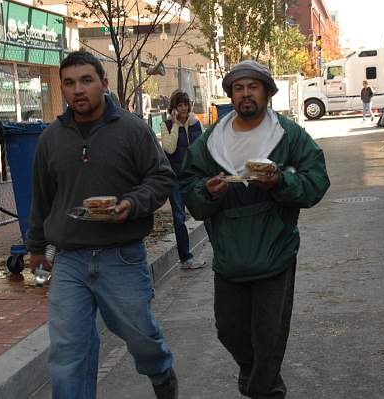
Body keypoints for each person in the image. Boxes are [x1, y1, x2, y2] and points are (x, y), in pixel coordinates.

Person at [26, 51, 178, 399]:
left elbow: (160, 178)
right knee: (67, 351)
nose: (78, 90)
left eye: (86, 80)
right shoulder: (51, 138)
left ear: (103, 84)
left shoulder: (132, 129)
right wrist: (36, 247)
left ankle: (161, 372)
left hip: (121, 256)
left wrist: (131, 203)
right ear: (62, 88)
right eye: (69, 83)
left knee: (142, 337)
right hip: (70, 260)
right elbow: (42, 198)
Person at [180, 60, 330, 398]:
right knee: (228, 330)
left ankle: (265, 389)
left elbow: (316, 180)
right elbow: (189, 184)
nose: (245, 94)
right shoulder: (211, 141)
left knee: (269, 333)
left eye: (253, 87)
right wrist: (208, 190)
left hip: (274, 249)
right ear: (231, 96)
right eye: (238, 88)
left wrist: (280, 180)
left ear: (267, 92)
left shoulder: (287, 135)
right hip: (230, 253)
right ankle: (253, 372)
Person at [160, 90, 205, 269]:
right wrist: (176, 126)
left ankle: (220, 251)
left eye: (186, 104)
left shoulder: (196, 124)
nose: (184, 108)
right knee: (179, 217)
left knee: (205, 213)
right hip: (175, 178)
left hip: (194, 176)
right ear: (174, 108)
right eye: (180, 105)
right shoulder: (166, 125)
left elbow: (201, 148)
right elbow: (169, 149)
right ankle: (186, 258)